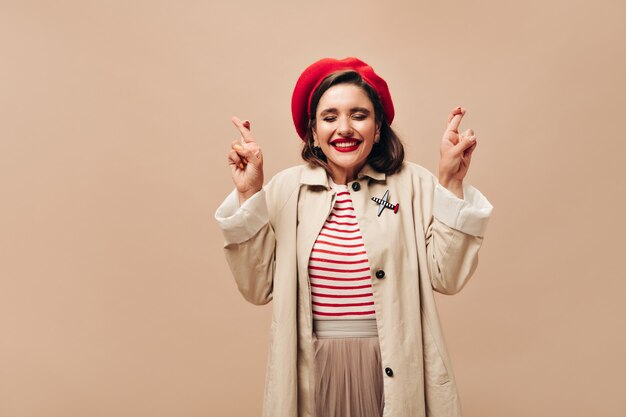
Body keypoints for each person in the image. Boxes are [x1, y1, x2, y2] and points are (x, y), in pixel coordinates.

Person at [215, 57, 493, 417]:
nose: (344, 128)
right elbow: (257, 287)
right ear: (313, 131)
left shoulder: (414, 184)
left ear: (378, 128)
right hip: (315, 371)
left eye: (359, 115)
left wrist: (451, 182)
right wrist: (250, 194)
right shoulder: (285, 190)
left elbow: (448, 277)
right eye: (329, 117)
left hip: (393, 366)